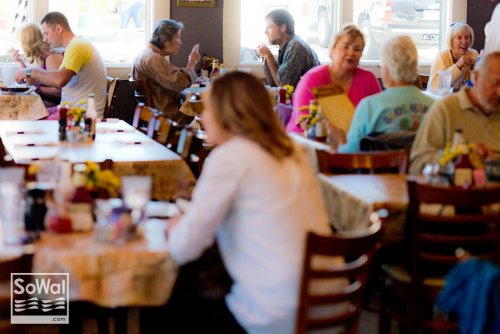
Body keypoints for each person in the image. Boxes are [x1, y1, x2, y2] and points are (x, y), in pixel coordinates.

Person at [166, 71, 331, 333]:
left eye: (208, 107)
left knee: (172, 297)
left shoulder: (231, 157)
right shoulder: (292, 151)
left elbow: (183, 248)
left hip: (276, 310)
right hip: (329, 301)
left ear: (227, 113)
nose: (203, 116)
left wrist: (175, 228)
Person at [409, 51, 500, 175]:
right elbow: (417, 164)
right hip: (455, 191)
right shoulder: (445, 110)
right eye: (495, 83)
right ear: (476, 77)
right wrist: (458, 156)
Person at [338, 36, 434, 152]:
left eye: (381, 65)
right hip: (422, 169)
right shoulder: (435, 106)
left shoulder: (369, 106)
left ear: (387, 68)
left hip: (380, 169)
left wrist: (337, 140)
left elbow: (349, 153)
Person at [286, 25, 381, 133]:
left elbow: (378, 119)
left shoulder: (369, 79)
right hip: (307, 141)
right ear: (333, 49)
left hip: (354, 143)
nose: (351, 53)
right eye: (346, 47)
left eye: (357, 49)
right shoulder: (313, 79)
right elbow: (306, 124)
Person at [14, 11, 107, 118]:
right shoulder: (75, 45)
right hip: (69, 109)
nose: (44, 39)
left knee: (25, 119)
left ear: (58, 29)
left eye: (46, 33)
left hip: (80, 116)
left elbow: (59, 81)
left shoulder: (78, 46)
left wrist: (30, 72)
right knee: (24, 113)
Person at [131, 19, 200, 126]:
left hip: (154, 115)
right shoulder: (153, 59)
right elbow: (179, 82)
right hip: (167, 118)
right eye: (178, 37)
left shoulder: (143, 55)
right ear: (164, 40)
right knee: (205, 115)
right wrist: (192, 63)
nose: (180, 42)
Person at [256, 8, 319, 88]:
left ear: (283, 27)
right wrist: (265, 57)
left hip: (310, 99)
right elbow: (273, 83)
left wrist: (269, 56)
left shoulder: (295, 46)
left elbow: (283, 87)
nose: (265, 31)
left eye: (269, 27)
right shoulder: (284, 47)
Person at [10, 22, 63, 107]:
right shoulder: (42, 57)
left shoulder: (51, 58)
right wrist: (20, 61)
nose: (20, 46)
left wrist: (37, 88)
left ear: (27, 44)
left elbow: (60, 93)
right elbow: (30, 79)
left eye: (20, 43)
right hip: (49, 104)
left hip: (58, 108)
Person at [427, 22, 478, 93]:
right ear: (451, 40)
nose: (464, 42)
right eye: (459, 37)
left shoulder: (473, 54)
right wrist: (457, 66)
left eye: (467, 37)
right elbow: (435, 86)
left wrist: (475, 69)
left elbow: (478, 86)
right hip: (442, 100)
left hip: (463, 100)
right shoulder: (442, 55)